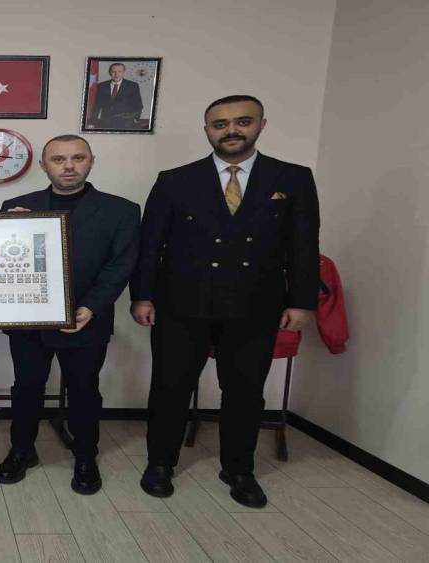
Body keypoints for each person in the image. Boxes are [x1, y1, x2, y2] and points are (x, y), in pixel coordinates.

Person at [130, 95, 320, 508]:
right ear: (207, 131)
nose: (231, 130)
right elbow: (150, 245)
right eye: (220, 124)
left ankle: (239, 469)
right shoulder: (175, 180)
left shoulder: (292, 178)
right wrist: (142, 296)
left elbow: (304, 246)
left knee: (245, 391)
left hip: (256, 303)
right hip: (182, 303)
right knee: (170, 387)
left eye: (242, 121)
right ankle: (160, 463)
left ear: (261, 125)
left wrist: (302, 301)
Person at [0, 135, 140, 494]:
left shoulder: (122, 210)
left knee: (84, 389)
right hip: (29, 318)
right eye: (58, 159)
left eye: (78, 158)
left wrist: (90, 307)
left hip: (86, 317)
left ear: (91, 161)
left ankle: (86, 455)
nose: (69, 166)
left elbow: (120, 265)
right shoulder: (17, 205)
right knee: (26, 386)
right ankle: (22, 449)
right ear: (44, 165)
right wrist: (5, 229)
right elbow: (1, 261)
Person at [86, 63, 144, 129]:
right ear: (110, 72)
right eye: (113, 71)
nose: (116, 74)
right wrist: (92, 122)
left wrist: (134, 120)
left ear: (123, 72)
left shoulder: (132, 86)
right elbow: (96, 106)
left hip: (125, 124)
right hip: (105, 124)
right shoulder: (101, 86)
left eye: (119, 71)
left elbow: (138, 105)